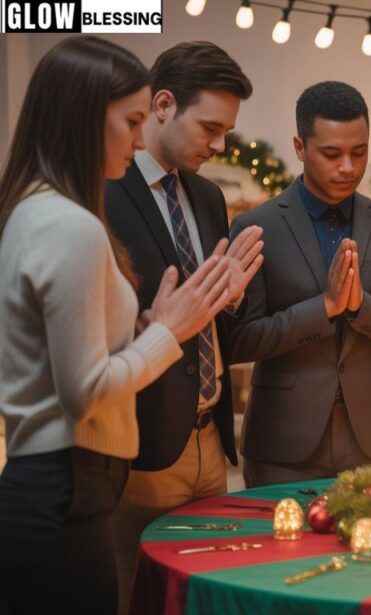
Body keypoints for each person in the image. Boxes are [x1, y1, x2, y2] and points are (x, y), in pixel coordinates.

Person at [0, 37, 233, 614]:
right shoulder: (70, 223)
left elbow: (66, 357)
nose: (137, 139)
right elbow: (83, 393)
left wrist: (147, 328)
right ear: (83, 117)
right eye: (130, 120)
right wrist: (168, 333)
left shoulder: (34, 207)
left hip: (52, 483)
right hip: (68, 484)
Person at [104, 41, 261, 613]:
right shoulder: (104, 194)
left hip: (210, 440)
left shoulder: (207, 194)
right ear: (163, 104)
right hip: (141, 445)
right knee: (135, 598)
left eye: (227, 131)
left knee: (207, 598)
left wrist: (232, 298)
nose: (219, 145)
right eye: (210, 128)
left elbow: (209, 313)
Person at [230, 81, 371, 486]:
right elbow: (239, 341)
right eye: (331, 154)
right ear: (300, 148)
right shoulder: (255, 227)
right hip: (281, 447)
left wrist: (360, 307)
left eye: (359, 152)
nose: (348, 167)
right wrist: (324, 307)